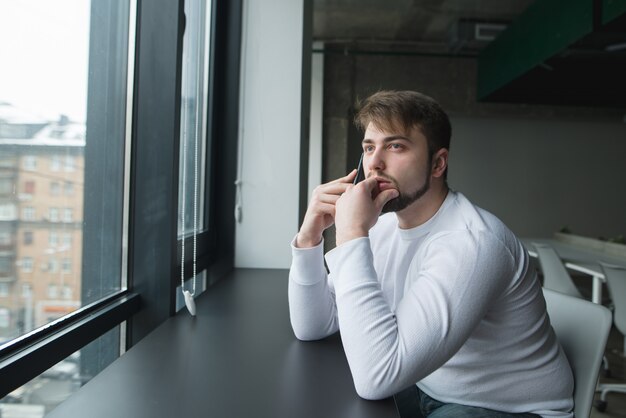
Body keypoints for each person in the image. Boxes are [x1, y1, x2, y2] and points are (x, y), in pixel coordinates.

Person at [288, 90, 574, 417]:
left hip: (504, 409)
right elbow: (312, 325)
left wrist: (351, 234)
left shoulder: (472, 244)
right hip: (427, 383)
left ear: (438, 163)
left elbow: (375, 378)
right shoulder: (381, 228)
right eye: (369, 147)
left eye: (395, 146)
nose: (375, 162)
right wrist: (309, 237)